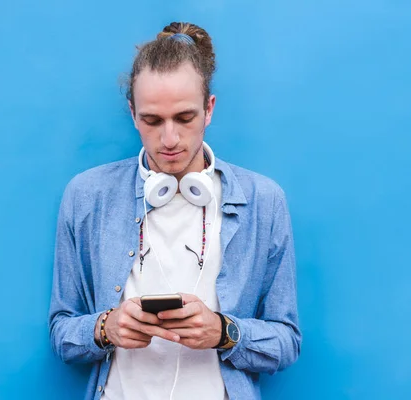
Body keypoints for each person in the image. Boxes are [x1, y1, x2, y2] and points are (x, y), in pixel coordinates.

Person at [48, 21, 301, 400]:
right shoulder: (86, 196)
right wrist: (106, 328)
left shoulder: (263, 201)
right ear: (133, 114)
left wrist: (223, 332)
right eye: (152, 121)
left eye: (185, 118)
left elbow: (287, 340)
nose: (169, 139)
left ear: (209, 109)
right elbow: (62, 333)